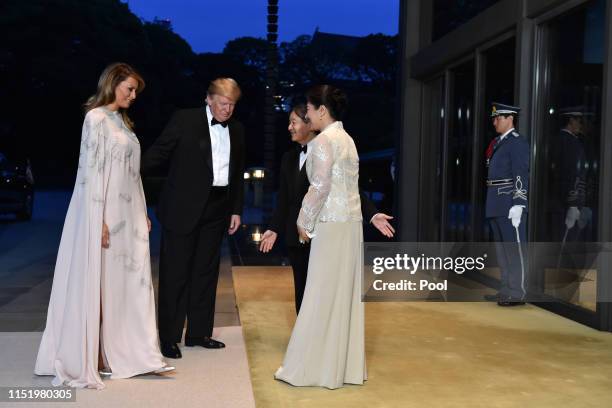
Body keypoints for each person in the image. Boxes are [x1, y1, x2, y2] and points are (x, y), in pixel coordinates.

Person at [34, 63, 174, 389]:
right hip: (104, 213)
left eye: (136, 90)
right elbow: (89, 173)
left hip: (129, 217)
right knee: (99, 281)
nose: (133, 95)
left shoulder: (122, 122)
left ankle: (124, 352)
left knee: (126, 284)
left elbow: (133, 174)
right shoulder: (95, 118)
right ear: (112, 84)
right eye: (129, 88)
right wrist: (97, 220)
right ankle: (92, 354)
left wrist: (142, 212)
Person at [141, 78, 245, 359]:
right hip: (182, 208)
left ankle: (199, 333)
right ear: (208, 99)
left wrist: (235, 209)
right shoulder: (184, 120)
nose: (228, 110)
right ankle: (169, 337)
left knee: (206, 273)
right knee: (175, 274)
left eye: (232, 105)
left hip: (217, 208)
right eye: (223, 104)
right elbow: (159, 153)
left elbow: (237, 174)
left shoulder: (236, 129)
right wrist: (128, 170)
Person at [259, 103, 394, 314]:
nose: (289, 127)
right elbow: (284, 199)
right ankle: (305, 342)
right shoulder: (288, 158)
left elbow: (350, 188)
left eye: (293, 122)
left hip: (323, 234)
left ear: (309, 123)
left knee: (323, 293)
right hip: (297, 235)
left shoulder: (330, 148)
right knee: (301, 290)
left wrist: (372, 213)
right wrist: (274, 228)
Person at [274, 85, 366, 389]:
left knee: (319, 292)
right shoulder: (349, 139)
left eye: (310, 110)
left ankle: (311, 367)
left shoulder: (323, 141)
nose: (308, 114)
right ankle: (342, 368)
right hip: (351, 225)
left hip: (329, 224)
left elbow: (320, 186)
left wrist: (303, 220)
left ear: (322, 110)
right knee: (342, 295)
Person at [484, 102, 529, 306]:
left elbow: (521, 173)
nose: (494, 122)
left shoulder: (517, 143)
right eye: (494, 118)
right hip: (495, 201)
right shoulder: (497, 142)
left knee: (513, 249)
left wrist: (519, 203)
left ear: (510, 118)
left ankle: (517, 292)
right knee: (501, 251)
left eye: (498, 118)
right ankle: (505, 289)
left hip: (509, 202)